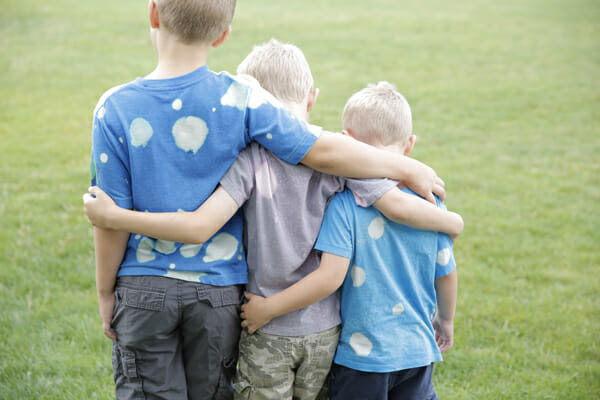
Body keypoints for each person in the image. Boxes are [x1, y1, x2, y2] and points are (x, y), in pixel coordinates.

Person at [90, 0, 445, 398]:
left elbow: (108, 219)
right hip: (218, 291)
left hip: (142, 290)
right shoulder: (241, 98)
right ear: (223, 34)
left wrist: (106, 291)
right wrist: (405, 168)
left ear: (153, 13)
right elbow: (319, 148)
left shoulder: (113, 107)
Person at [239, 82, 458, 400]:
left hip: (363, 356)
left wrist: (269, 308)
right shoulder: (430, 205)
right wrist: (446, 320)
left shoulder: (345, 203)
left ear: (346, 142)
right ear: (409, 144)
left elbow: (331, 276)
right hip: (417, 349)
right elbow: (447, 272)